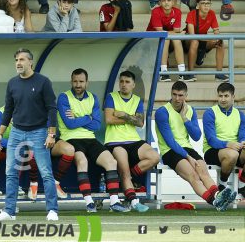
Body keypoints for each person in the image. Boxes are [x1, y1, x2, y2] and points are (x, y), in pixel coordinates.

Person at [0, 48, 58, 221]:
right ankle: (9, 211)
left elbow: (52, 108)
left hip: (39, 131)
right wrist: (0, 134)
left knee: (45, 172)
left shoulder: (43, 82)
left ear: (31, 62)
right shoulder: (12, 83)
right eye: (16, 60)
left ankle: (52, 210)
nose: (18, 63)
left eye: (22, 59)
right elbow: (8, 110)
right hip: (16, 132)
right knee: (11, 173)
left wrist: (51, 133)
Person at [155, 81, 237, 211]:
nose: (177, 98)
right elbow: (170, 141)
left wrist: (185, 119)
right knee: (193, 175)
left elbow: (197, 136)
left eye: (181, 95)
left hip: (187, 148)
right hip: (169, 151)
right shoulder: (162, 112)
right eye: (174, 94)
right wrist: (188, 157)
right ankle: (214, 201)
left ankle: (218, 195)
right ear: (171, 93)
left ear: (186, 95)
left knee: (204, 173)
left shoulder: (190, 110)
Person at [57, 68, 130, 212]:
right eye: (75, 81)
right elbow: (69, 124)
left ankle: (114, 202)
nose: (78, 85)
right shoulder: (63, 97)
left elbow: (97, 125)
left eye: (81, 81)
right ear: (71, 82)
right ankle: (89, 203)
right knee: (82, 161)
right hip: (71, 138)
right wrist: (88, 117)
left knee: (111, 161)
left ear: (87, 83)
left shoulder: (93, 97)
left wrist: (79, 117)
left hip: (90, 138)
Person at [104, 71, 159, 212]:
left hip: (133, 140)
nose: (124, 85)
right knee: (124, 169)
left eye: (127, 82)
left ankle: (127, 178)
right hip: (115, 142)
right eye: (121, 81)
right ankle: (134, 202)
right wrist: (130, 119)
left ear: (133, 85)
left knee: (154, 157)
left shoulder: (137, 100)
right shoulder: (111, 97)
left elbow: (140, 123)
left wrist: (123, 114)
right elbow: (109, 119)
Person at [203, 82, 242, 205]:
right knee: (232, 155)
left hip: (233, 148)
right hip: (212, 150)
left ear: (233, 97)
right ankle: (222, 185)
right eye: (220, 96)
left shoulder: (240, 114)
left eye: (226, 96)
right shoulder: (210, 113)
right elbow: (211, 140)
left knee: (236, 153)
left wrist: (242, 142)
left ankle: (242, 186)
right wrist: (228, 144)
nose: (223, 99)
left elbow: (242, 135)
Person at [184, 0, 228, 82]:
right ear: (198, 5)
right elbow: (192, 36)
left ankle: (219, 74)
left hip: (203, 40)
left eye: (208, 3)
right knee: (195, 42)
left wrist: (218, 38)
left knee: (220, 43)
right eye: (203, 3)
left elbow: (216, 31)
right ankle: (190, 73)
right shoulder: (191, 14)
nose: (206, 5)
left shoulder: (211, 13)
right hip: (189, 41)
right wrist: (209, 39)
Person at [147, 0, 186, 82]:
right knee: (166, 38)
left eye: (169, 0)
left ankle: (182, 72)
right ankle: (164, 71)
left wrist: (177, 33)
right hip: (152, 39)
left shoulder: (177, 12)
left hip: (168, 38)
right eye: (164, 0)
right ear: (160, 2)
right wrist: (178, 33)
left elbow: (176, 30)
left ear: (173, 2)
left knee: (176, 39)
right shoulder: (156, 11)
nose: (166, 3)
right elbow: (160, 32)